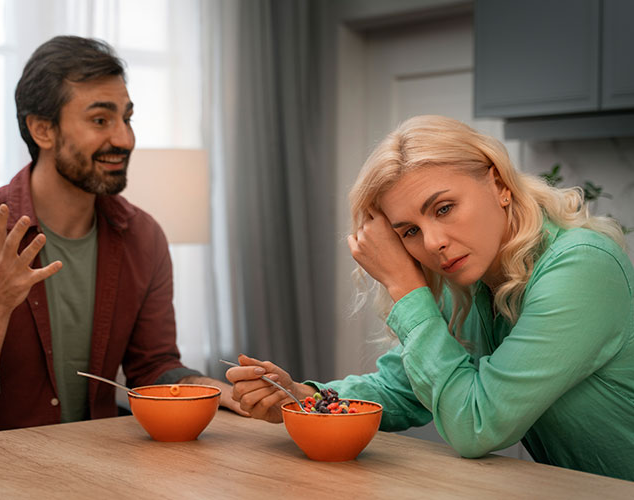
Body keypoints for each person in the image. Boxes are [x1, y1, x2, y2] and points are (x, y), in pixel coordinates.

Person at [226, 115, 634, 480]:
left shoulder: (581, 265)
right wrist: (305, 397)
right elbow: (401, 387)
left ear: (498, 184)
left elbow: (477, 425)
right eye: (409, 232)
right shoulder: (471, 278)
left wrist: (405, 285)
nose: (434, 243)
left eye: (443, 208)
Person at [0, 35, 245, 436]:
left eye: (127, 119)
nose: (124, 139)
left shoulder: (143, 237)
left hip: (98, 470)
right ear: (42, 130)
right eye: (101, 120)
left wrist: (213, 390)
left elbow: (152, 367)